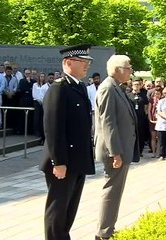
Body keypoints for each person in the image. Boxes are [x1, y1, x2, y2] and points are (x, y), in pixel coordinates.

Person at [40, 44, 95, 240]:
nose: (87, 65)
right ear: (68, 62)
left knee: (69, 208)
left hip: (77, 159)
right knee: (58, 207)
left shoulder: (79, 87)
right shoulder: (59, 89)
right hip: (64, 160)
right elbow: (53, 128)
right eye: (83, 62)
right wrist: (59, 161)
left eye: (88, 62)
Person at [94, 55, 139, 240]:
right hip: (114, 152)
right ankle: (104, 233)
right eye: (128, 67)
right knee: (111, 191)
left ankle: (108, 228)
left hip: (120, 149)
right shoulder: (108, 88)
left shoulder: (116, 88)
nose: (130, 71)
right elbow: (108, 123)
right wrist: (115, 153)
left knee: (115, 191)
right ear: (116, 69)